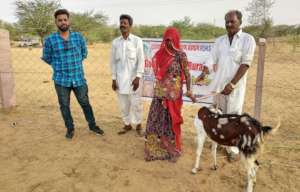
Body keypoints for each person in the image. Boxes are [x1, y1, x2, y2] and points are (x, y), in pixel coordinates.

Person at [199, 10, 256, 161]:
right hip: (219, 87)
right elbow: (212, 58)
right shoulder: (220, 41)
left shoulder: (247, 40)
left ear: (240, 22)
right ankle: (219, 143)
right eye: (227, 22)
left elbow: (245, 64)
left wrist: (232, 84)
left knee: (233, 118)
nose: (229, 24)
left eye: (232, 21)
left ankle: (232, 149)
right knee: (218, 116)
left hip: (234, 88)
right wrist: (205, 72)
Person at [42, 9, 104, 139]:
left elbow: (83, 53)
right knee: (64, 105)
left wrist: (73, 64)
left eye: (65, 19)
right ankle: (70, 128)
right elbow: (47, 57)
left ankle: (92, 125)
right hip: (61, 80)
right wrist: (59, 66)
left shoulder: (78, 37)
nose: (63, 22)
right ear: (56, 22)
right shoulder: (50, 40)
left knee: (85, 103)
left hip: (78, 78)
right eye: (60, 20)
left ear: (68, 21)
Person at [144, 27, 196, 162]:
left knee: (171, 120)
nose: (169, 43)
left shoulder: (181, 55)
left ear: (176, 40)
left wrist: (189, 90)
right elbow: (159, 74)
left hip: (174, 95)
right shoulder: (160, 54)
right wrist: (162, 90)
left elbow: (187, 74)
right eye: (166, 40)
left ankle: (171, 148)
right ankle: (154, 149)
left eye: (171, 40)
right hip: (160, 94)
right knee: (156, 119)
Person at [110, 14, 145, 136]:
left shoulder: (137, 41)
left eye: (125, 23)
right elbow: (113, 62)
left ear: (130, 25)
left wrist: (138, 77)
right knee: (123, 105)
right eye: (121, 22)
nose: (122, 25)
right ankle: (127, 124)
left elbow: (141, 60)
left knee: (136, 104)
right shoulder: (115, 42)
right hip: (120, 80)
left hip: (133, 80)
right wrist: (114, 79)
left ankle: (139, 124)